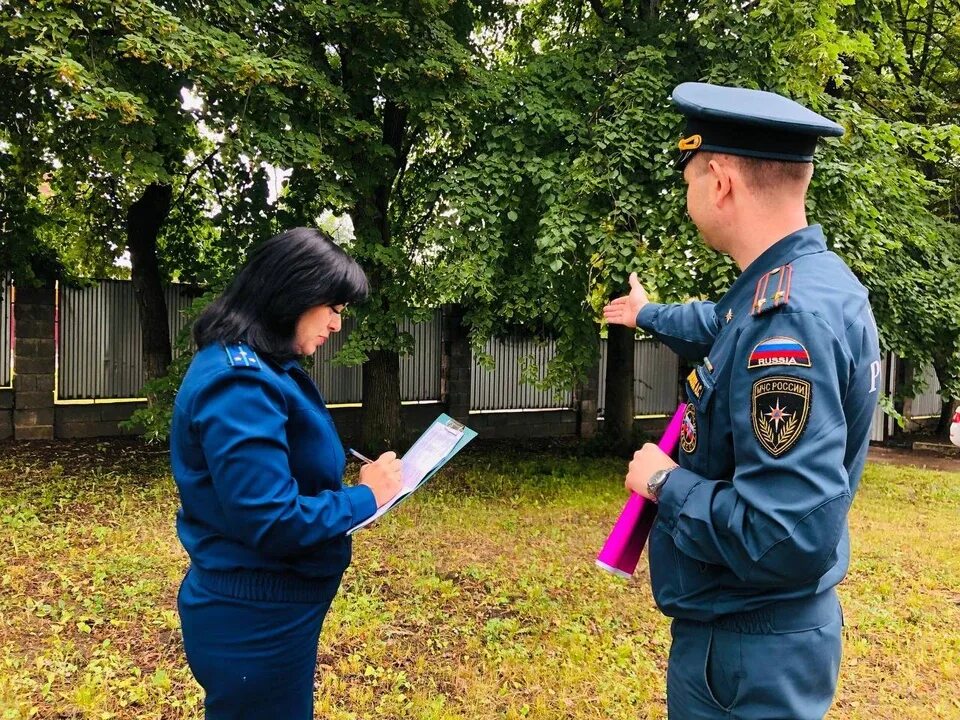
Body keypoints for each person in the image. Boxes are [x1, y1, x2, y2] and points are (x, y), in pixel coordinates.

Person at [603, 83, 881, 719]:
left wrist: (663, 484)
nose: (688, 196)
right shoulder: (812, 287)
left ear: (721, 180)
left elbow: (784, 533)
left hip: (744, 653)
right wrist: (647, 313)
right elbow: (716, 324)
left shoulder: (786, 323)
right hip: (766, 638)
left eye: (690, 179)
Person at [170, 227, 403, 719]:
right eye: (334, 309)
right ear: (293, 295)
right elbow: (272, 519)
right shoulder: (239, 381)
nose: (338, 325)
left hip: (268, 609)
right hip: (254, 621)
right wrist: (367, 496)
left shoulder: (263, 365)